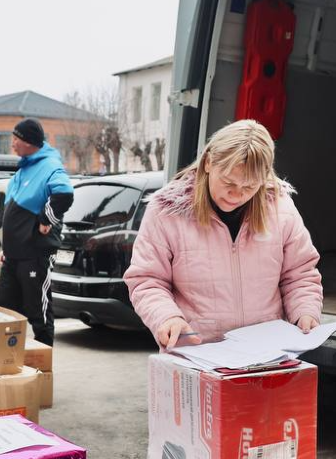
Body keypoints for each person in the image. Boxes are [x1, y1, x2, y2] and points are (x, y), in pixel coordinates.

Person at [123, 119, 323, 350]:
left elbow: (299, 274)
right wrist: (167, 318)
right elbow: (147, 280)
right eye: (228, 182)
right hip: (196, 352)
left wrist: (305, 312)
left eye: (249, 187)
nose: (236, 194)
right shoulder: (166, 211)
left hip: (266, 353)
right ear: (208, 163)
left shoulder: (281, 209)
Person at [0, 118, 74, 346]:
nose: (12, 145)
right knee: (2, 310)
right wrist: (7, 248)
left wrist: (46, 219)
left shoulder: (49, 165)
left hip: (35, 256)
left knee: (38, 312)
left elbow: (64, 194)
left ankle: (43, 367)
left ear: (29, 142)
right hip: (13, 256)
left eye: (16, 139)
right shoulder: (24, 168)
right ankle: (4, 362)